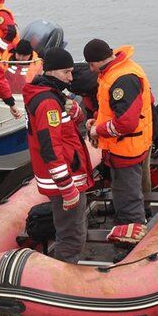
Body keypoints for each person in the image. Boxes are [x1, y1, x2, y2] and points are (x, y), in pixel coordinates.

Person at [22, 48, 93, 263]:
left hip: (68, 173)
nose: (71, 78)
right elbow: (50, 148)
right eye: (66, 73)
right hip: (65, 178)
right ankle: (64, 278)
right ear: (51, 72)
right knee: (72, 235)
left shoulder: (53, 94)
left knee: (72, 229)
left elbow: (70, 125)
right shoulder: (48, 102)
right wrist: (67, 187)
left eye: (72, 72)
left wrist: (75, 112)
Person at [83, 38, 154, 244]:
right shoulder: (121, 70)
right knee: (125, 189)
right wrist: (97, 120)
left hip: (126, 148)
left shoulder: (121, 78)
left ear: (94, 62)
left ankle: (134, 235)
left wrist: (98, 130)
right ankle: (129, 222)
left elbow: (126, 123)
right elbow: (115, 109)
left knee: (128, 193)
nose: (91, 69)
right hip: (126, 145)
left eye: (91, 65)